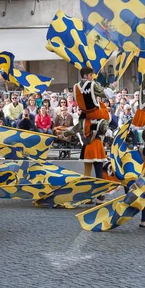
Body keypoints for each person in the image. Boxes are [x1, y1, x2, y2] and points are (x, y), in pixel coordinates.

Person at [61, 67, 114, 202]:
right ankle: (100, 195)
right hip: (96, 146)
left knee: (86, 173)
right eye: (91, 75)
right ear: (86, 75)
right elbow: (105, 95)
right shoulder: (100, 117)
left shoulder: (83, 118)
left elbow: (74, 129)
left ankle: (87, 196)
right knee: (98, 172)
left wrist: (64, 134)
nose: (92, 77)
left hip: (86, 146)